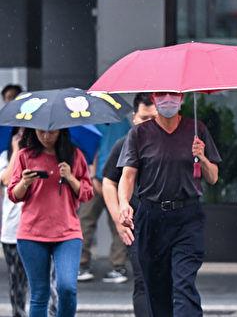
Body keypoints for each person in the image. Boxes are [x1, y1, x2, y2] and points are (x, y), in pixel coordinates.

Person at [117, 92, 221, 317]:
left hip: (187, 216)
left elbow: (213, 177)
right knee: (157, 289)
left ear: (182, 97)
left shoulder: (197, 130)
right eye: (162, 95)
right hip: (150, 216)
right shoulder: (139, 134)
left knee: (183, 284)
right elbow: (127, 176)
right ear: (154, 98)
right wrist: (124, 204)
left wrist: (202, 157)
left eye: (173, 94)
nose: (168, 99)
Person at [7, 128, 94, 316]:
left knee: (67, 288)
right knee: (39, 294)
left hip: (68, 233)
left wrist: (70, 177)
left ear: (61, 131)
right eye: (41, 132)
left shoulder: (74, 155)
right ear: (34, 131)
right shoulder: (25, 155)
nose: (46, 137)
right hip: (32, 233)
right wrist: (24, 182)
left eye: (52, 132)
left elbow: (87, 194)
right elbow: (13, 195)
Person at [101, 93, 157, 317]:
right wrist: (118, 220)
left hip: (169, 221)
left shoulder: (171, 145)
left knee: (169, 279)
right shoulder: (124, 144)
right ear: (134, 117)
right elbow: (108, 182)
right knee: (143, 280)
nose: (148, 125)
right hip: (136, 223)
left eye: (154, 118)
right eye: (144, 119)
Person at [1, 126, 59, 317]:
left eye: (27, 133)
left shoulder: (50, 156)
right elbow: (7, 180)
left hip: (43, 228)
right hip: (12, 229)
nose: (23, 136)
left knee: (47, 282)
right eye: (18, 133)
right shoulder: (5, 157)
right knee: (17, 282)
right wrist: (17, 151)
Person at [77, 116, 131, 283]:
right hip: (118, 178)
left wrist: (93, 177)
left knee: (85, 222)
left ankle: (82, 266)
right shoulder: (125, 123)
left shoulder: (94, 122)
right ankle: (118, 267)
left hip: (98, 178)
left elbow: (92, 150)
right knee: (119, 224)